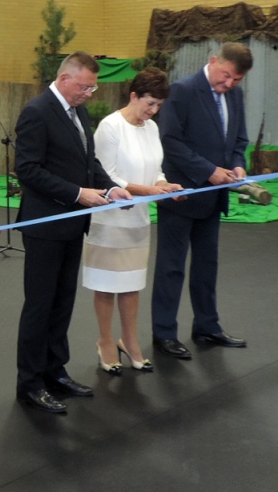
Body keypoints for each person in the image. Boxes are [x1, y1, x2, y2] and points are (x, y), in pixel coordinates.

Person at [14, 51, 132, 414]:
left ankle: (55, 371)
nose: (89, 93)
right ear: (64, 79)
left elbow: (87, 162)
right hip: (45, 226)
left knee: (62, 302)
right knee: (39, 306)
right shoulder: (37, 112)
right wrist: (77, 194)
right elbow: (27, 170)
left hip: (72, 224)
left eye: (92, 87)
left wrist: (111, 188)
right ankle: (30, 383)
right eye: (84, 86)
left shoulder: (78, 111)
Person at [151, 42, 253, 359]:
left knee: (207, 266)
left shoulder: (234, 95)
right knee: (171, 267)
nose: (229, 85)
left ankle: (207, 326)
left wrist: (237, 164)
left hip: (214, 197)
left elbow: (239, 139)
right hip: (181, 194)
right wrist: (208, 171)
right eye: (226, 77)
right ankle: (164, 333)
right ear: (213, 61)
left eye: (236, 80)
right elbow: (170, 141)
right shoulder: (181, 91)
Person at [81, 68, 181, 375]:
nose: (152, 111)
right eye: (149, 103)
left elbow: (157, 168)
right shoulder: (110, 127)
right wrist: (151, 190)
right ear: (133, 96)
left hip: (138, 219)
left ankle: (130, 340)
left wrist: (164, 184)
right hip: (109, 217)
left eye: (158, 106)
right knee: (106, 284)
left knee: (131, 284)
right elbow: (108, 176)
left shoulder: (150, 128)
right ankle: (105, 341)